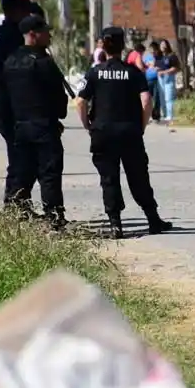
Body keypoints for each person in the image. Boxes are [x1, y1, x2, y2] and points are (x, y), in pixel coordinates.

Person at [75, 27, 173, 239]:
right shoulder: (133, 73)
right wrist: (142, 126)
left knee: (109, 178)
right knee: (138, 176)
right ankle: (153, 220)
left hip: (102, 132)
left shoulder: (94, 72)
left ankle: (115, 224)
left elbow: (80, 101)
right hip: (129, 132)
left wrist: (87, 125)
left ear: (102, 45)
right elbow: (147, 101)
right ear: (123, 46)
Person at [2, 14, 70, 229]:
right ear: (33, 34)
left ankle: (16, 213)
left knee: (22, 172)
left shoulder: (10, 61)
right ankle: (54, 218)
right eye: (45, 31)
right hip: (43, 126)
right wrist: (57, 116)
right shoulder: (43, 63)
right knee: (49, 173)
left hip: (20, 127)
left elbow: (4, 98)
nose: (49, 34)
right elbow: (59, 100)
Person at [0, 0, 34, 216]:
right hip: (13, 110)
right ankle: (15, 208)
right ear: (15, 11)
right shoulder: (11, 36)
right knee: (20, 161)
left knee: (21, 160)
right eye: (25, 11)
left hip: (8, 108)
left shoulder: (3, 33)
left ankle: (19, 206)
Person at [157, 39, 180, 123]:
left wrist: (164, 72)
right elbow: (157, 65)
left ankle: (170, 116)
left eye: (164, 44)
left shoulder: (172, 56)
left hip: (169, 77)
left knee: (168, 97)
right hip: (160, 78)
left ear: (167, 45)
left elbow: (175, 68)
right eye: (161, 45)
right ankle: (165, 114)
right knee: (162, 97)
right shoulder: (160, 57)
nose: (162, 46)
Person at [144, 41, 163, 121]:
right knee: (148, 98)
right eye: (151, 49)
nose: (152, 50)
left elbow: (162, 66)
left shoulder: (159, 57)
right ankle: (148, 114)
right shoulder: (146, 57)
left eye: (154, 49)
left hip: (156, 80)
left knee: (157, 97)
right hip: (147, 79)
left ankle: (156, 114)